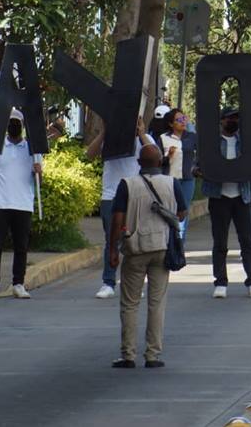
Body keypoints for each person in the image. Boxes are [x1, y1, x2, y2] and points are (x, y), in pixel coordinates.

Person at [108, 144, 187, 369]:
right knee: (157, 302)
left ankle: (128, 354)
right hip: (162, 247)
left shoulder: (127, 184)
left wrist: (113, 248)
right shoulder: (172, 183)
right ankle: (153, 355)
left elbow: (117, 218)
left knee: (130, 303)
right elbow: (181, 213)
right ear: (160, 162)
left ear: (139, 163)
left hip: (135, 248)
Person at [86, 118, 154, 299]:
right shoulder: (110, 138)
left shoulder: (143, 139)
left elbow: (156, 156)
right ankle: (108, 282)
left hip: (135, 194)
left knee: (135, 241)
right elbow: (90, 154)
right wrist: (104, 133)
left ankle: (135, 283)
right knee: (112, 239)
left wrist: (140, 134)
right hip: (111, 195)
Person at [202, 107, 251, 299]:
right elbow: (200, 164)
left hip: (241, 196)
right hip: (219, 197)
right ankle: (220, 282)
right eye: (230, 118)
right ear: (221, 121)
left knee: (247, 241)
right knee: (220, 242)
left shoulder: (244, 143)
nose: (233, 121)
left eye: (236, 118)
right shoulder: (212, 143)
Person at [0, 110, 41, 299]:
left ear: (23, 126)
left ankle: (18, 283)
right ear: (6, 125)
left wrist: (38, 172)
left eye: (17, 122)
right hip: (0, 202)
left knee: (21, 247)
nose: (14, 126)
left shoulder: (33, 148)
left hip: (22, 203)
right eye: (11, 122)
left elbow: (40, 179)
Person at [158, 109, 198, 242]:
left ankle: (179, 245)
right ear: (171, 124)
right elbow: (158, 162)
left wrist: (196, 169)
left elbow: (201, 155)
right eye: (178, 120)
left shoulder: (192, 137)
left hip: (187, 180)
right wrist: (168, 156)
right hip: (169, 180)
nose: (182, 122)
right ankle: (167, 242)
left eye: (184, 119)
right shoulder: (163, 138)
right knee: (168, 211)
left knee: (183, 212)